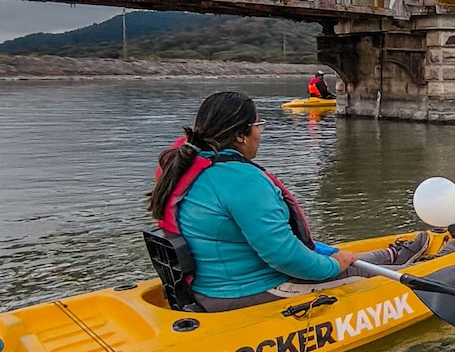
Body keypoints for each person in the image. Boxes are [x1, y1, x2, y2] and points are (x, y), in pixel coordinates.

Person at [149, 91, 426, 311]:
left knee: (343, 259)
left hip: (212, 286)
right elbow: (285, 257)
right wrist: (333, 266)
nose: (260, 133)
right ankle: (429, 268)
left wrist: (334, 259)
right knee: (355, 274)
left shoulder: (184, 165)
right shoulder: (241, 180)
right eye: (257, 125)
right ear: (240, 135)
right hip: (248, 290)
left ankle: (393, 255)